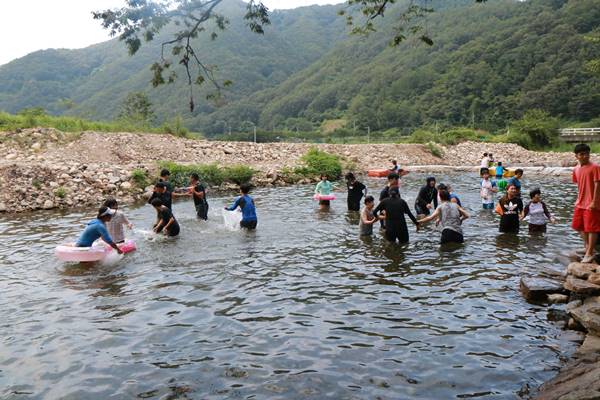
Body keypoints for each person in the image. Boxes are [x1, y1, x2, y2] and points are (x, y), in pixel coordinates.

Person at [572, 143, 600, 263]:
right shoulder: (576, 169)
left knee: (591, 228)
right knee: (578, 226)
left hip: (592, 203)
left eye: (587, 154)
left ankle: (589, 253)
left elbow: (598, 185)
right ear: (576, 156)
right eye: (582, 154)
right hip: (580, 202)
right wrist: (578, 198)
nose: (585, 156)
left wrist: (594, 201)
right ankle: (588, 247)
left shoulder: (595, 167)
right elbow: (579, 185)